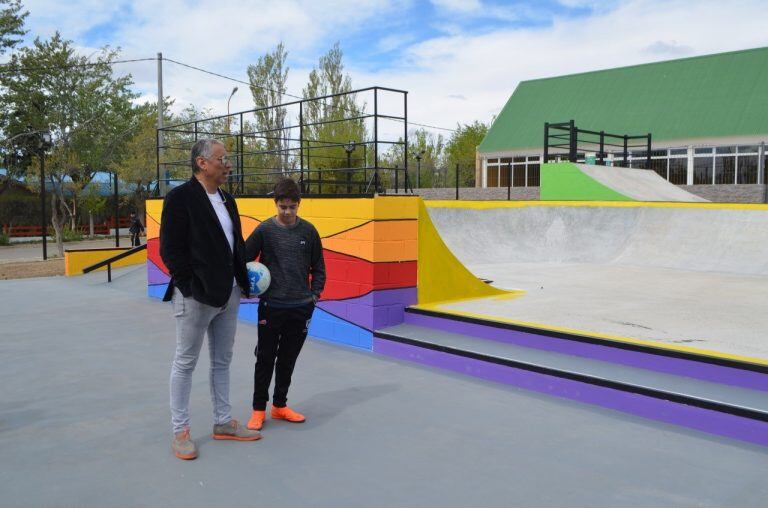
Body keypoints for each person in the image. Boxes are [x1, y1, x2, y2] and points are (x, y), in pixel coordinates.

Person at [160, 138, 261, 460]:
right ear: (202, 163)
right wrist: (189, 288)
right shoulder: (180, 199)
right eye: (222, 159)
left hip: (228, 293)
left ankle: (223, 423)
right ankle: (181, 432)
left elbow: (236, 246)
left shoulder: (228, 200)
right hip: (195, 297)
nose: (228, 164)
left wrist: (242, 283)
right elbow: (170, 250)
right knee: (185, 362)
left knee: (222, 361)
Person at [245, 177, 326, 431]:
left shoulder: (309, 231)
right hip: (272, 306)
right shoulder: (264, 230)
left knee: (288, 358)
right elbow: (244, 260)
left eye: (292, 206)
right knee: (265, 359)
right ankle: (259, 410)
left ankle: (280, 406)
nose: (287, 212)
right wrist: (248, 288)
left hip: (301, 307)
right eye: (283, 206)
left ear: (299, 205)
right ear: (275, 204)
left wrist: (314, 296)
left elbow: (319, 268)